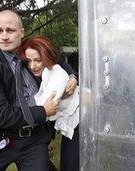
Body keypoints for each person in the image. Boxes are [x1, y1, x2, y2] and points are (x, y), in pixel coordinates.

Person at [0, 9, 77, 171]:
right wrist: (42, 112)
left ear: (21, 32)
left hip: (35, 140)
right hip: (3, 138)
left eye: (10, 30)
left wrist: (73, 77)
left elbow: (58, 62)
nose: (4, 36)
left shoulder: (32, 52)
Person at [17, 35, 79, 171]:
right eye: (28, 61)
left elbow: (46, 109)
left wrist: (73, 77)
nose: (32, 66)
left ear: (46, 57)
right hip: (65, 125)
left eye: (38, 60)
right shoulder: (41, 72)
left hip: (77, 123)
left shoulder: (56, 74)